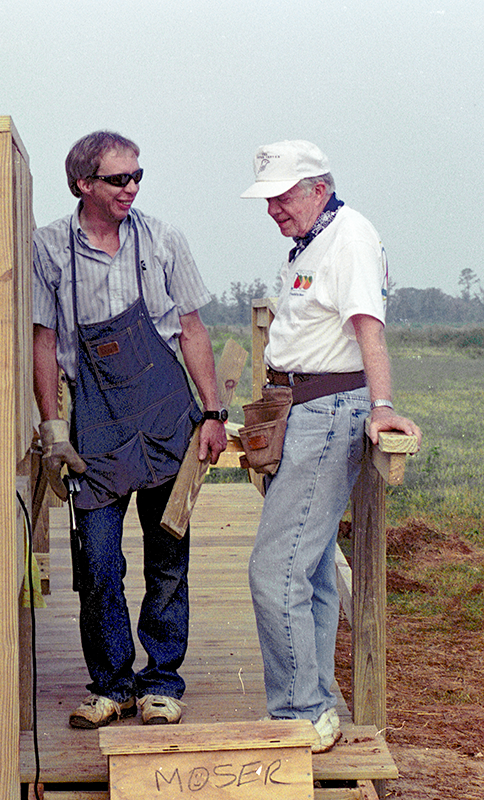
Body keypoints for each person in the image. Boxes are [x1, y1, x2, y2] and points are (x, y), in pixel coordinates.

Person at [33, 131, 227, 729]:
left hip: (167, 413)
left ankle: (161, 682)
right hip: (93, 421)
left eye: (138, 176)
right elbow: (42, 342)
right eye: (119, 179)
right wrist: (53, 428)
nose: (132, 188)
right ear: (83, 184)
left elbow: (191, 330)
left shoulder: (162, 239)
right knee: (97, 562)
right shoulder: (50, 249)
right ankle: (112, 685)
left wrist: (213, 413)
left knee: (169, 556)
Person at [241, 140, 422, 752]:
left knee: (274, 568)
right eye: (267, 200)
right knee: (312, 568)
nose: (273, 210)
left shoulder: (349, 238)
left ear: (318, 186)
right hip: (301, 409)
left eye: (283, 196)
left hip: (329, 411)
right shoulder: (314, 240)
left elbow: (368, 330)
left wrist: (382, 407)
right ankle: (314, 702)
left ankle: (300, 712)